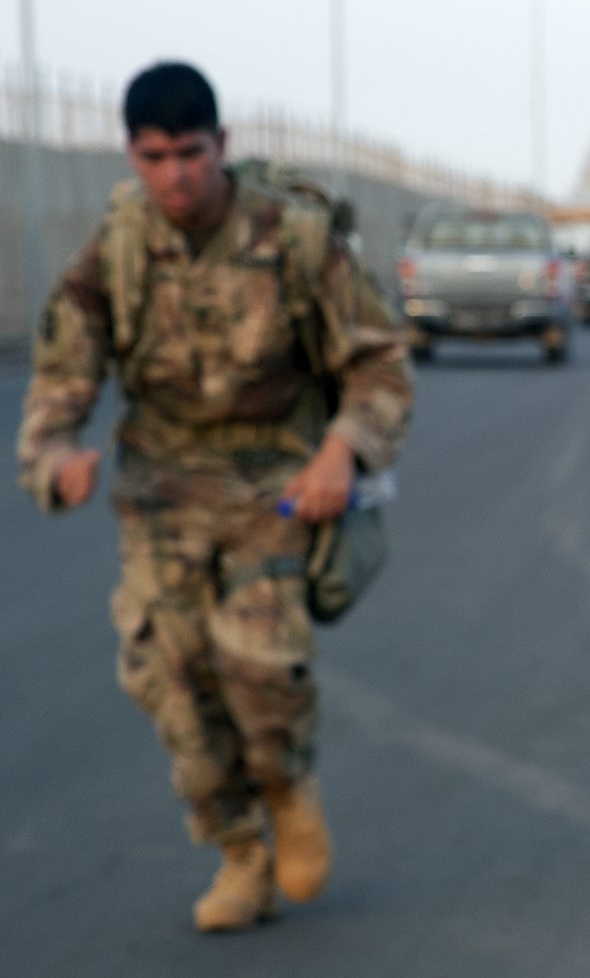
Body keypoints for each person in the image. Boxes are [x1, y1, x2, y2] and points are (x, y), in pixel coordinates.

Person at [16, 62, 414, 933]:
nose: (176, 176)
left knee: (260, 665)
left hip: (274, 485)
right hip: (160, 493)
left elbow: (381, 360)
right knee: (172, 684)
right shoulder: (117, 246)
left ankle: (286, 783)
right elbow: (64, 367)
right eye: (155, 157)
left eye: (191, 153)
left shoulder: (296, 239)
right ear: (132, 155)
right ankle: (241, 853)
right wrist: (55, 450)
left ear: (221, 144)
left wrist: (341, 452)